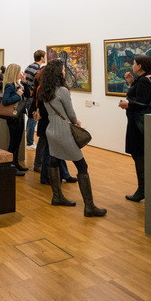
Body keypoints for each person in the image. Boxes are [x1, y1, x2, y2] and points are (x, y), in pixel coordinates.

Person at [39, 60, 106, 217]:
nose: (64, 71)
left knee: (54, 161)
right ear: (58, 73)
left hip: (51, 129)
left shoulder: (44, 90)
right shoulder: (62, 90)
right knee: (82, 165)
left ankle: (57, 196)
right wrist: (76, 123)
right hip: (64, 131)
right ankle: (89, 206)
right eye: (63, 69)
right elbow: (70, 113)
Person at [118, 54, 151, 203]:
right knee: (144, 155)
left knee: (139, 155)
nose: (132, 66)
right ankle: (150, 188)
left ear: (140, 66)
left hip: (138, 124)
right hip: (147, 122)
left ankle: (142, 190)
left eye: (134, 63)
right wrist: (131, 83)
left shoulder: (144, 80)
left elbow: (141, 103)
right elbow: (145, 98)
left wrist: (127, 104)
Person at [31, 68, 77, 186]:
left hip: (50, 123)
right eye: (62, 70)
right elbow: (42, 107)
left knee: (55, 150)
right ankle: (46, 177)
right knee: (50, 151)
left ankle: (63, 174)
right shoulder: (46, 89)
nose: (64, 72)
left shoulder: (48, 89)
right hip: (49, 123)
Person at [1, 63, 29, 176]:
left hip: (19, 115)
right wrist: (17, 95)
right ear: (14, 72)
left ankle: (16, 163)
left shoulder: (17, 84)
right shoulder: (9, 86)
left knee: (18, 141)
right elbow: (5, 101)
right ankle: (11, 166)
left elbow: (27, 95)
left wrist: (24, 82)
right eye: (19, 71)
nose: (21, 73)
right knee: (13, 142)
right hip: (13, 118)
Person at [23, 50, 46, 151]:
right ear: (41, 58)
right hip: (32, 97)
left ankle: (29, 141)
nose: (45, 58)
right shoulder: (37, 69)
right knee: (32, 120)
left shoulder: (28, 67)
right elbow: (38, 83)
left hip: (27, 96)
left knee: (30, 119)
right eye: (45, 56)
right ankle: (30, 142)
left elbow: (24, 82)